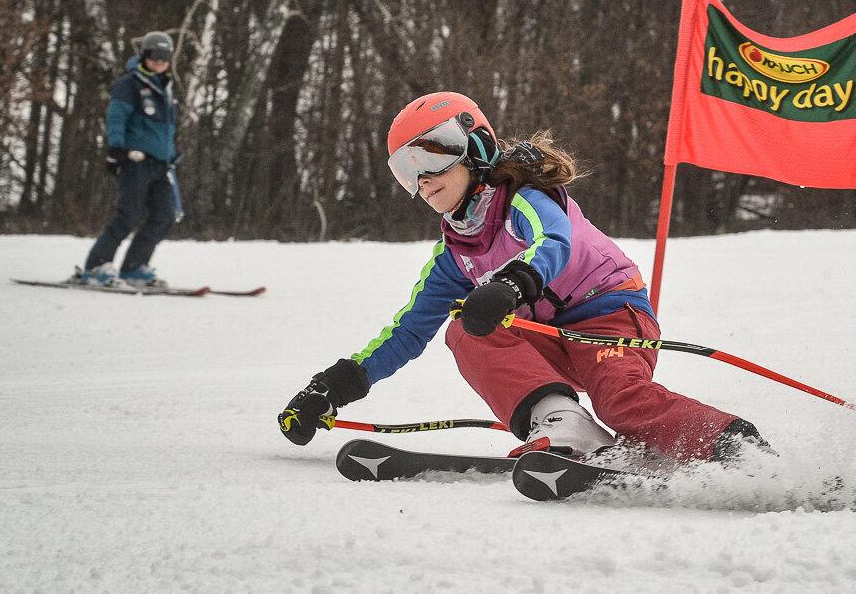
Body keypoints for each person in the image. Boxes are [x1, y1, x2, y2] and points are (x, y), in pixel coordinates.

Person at [278, 91, 768, 463]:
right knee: (465, 329)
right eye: (407, 170)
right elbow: (407, 332)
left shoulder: (525, 198)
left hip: (610, 317)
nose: (423, 179)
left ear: (476, 146)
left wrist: (512, 284)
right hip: (547, 338)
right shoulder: (454, 254)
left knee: (623, 404)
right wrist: (336, 386)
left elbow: (553, 243)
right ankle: (563, 421)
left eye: (432, 157)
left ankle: (739, 451)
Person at [75, 31, 181, 287]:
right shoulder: (130, 83)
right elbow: (116, 117)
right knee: (128, 215)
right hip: (136, 160)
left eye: (165, 56)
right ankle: (97, 265)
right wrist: (116, 149)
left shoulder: (168, 87)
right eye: (155, 56)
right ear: (144, 56)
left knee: (165, 215)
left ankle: (134, 268)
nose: (160, 61)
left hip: (162, 164)